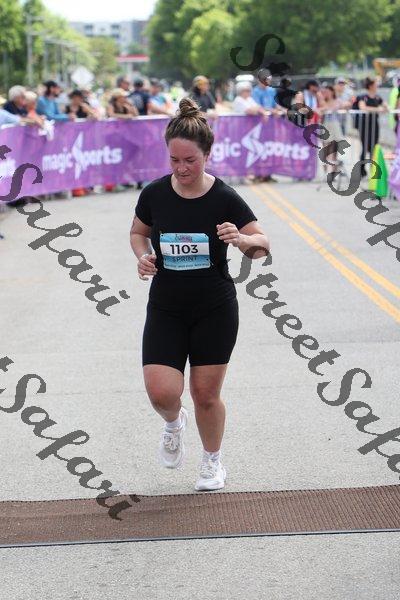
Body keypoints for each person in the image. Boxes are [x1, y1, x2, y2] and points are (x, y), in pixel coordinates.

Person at [130, 97, 269, 491]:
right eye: (174, 160)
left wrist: (241, 239)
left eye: (190, 160)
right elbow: (138, 232)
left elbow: (262, 245)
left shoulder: (224, 198)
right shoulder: (155, 194)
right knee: (161, 393)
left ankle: (212, 462)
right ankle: (174, 423)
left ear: (208, 155)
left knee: (205, 394)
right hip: (166, 307)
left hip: (214, 308)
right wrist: (143, 257)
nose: (181, 168)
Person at [356, 77, 388, 178]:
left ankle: (373, 169)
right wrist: (377, 109)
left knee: (374, 148)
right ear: (370, 85)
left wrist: (384, 108)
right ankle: (361, 169)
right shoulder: (363, 97)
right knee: (365, 147)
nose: (377, 85)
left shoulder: (378, 97)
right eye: (375, 84)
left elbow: (386, 106)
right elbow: (363, 107)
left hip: (375, 125)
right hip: (364, 125)